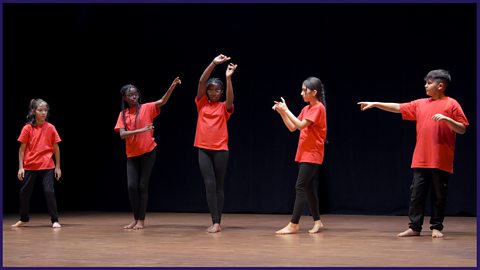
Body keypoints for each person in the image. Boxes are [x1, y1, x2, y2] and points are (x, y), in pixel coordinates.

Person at [358, 69, 469, 238]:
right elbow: (398, 107)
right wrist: (375, 103)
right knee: (416, 194)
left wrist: (447, 119)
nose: (426, 85)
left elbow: (462, 129)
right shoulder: (421, 103)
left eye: (429, 83)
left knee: (439, 195)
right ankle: (414, 227)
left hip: (441, 159)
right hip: (421, 159)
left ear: (440, 85)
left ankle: (436, 227)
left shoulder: (451, 104)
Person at [114, 77, 181, 230]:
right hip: (132, 154)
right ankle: (135, 218)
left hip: (148, 152)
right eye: (130, 95)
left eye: (135, 94)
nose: (133, 97)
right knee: (131, 187)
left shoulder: (147, 108)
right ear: (124, 97)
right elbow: (122, 135)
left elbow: (163, 101)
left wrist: (172, 85)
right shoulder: (122, 114)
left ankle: (141, 220)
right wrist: (142, 130)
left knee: (142, 185)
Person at [272, 77, 327, 234]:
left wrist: (287, 109)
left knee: (300, 186)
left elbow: (302, 124)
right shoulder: (307, 109)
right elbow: (292, 127)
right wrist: (283, 113)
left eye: (305, 90)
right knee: (308, 188)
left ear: (314, 92)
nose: (302, 93)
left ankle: (294, 224)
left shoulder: (318, 108)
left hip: (313, 153)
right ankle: (318, 222)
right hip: (303, 153)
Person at [194, 54, 237, 233]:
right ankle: (215, 221)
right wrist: (213, 63)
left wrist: (228, 78)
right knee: (209, 184)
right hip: (203, 149)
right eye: (211, 90)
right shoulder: (201, 103)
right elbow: (201, 82)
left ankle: (217, 222)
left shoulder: (224, 108)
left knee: (218, 185)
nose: (213, 92)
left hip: (220, 150)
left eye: (217, 90)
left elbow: (230, 99)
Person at [12, 99, 62, 228]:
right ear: (34, 111)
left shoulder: (50, 127)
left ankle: (55, 220)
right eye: (40, 110)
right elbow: (21, 149)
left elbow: (56, 148)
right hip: (30, 165)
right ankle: (24, 219)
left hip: (47, 165)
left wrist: (58, 167)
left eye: (45, 110)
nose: (44, 112)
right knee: (24, 193)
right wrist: (20, 167)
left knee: (49, 191)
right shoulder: (27, 128)